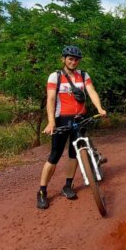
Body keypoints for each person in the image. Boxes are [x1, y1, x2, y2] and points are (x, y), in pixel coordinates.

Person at [37, 45, 107, 210]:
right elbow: (51, 99)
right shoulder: (55, 76)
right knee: (54, 155)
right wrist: (51, 122)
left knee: (74, 154)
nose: (73, 61)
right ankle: (42, 192)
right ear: (64, 59)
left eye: (76, 59)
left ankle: (67, 186)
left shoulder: (83, 75)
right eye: (70, 58)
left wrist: (99, 108)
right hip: (61, 120)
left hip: (80, 119)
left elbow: (92, 92)